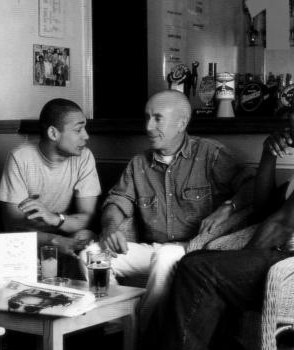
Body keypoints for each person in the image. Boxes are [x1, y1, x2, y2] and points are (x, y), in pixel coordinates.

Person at [143, 79, 294, 350]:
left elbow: (280, 224)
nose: (288, 116)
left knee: (197, 269)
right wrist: (268, 154)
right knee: (199, 263)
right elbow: (264, 209)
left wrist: (241, 263)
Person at [91, 89, 254, 326]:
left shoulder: (211, 154)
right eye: (146, 117)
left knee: (167, 256)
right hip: (153, 249)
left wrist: (229, 206)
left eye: (157, 118)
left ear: (181, 123)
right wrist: (109, 228)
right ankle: (122, 325)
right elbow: (117, 201)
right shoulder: (139, 163)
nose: (148, 126)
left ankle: (144, 338)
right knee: (92, 254)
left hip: (194, 251)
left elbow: (252, 185)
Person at [0, 98, 101, 278]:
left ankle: (79, 299)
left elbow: (87, 217)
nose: (86, 136)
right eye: (78, 130)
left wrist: (55, 219)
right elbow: (12, 226)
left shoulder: (84, 157)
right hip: (30, 239)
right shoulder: (20, 157)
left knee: (86, 238)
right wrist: (55, 241)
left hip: (67, 230)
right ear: (53, 133)